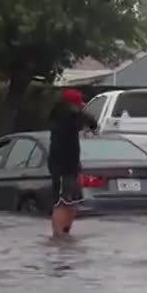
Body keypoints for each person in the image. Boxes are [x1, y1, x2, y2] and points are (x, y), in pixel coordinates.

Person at [48, 88, 98, 237]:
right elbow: (89, 120)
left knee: (71, 201)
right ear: (69, 105)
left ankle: (65, 233)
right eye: (77, 104)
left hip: (72, 164)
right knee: (62, 202)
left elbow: (89, 121)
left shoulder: (69, 117)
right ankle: (58, 236)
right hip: (62, 166)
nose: (80, 107)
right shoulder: (65, 118)